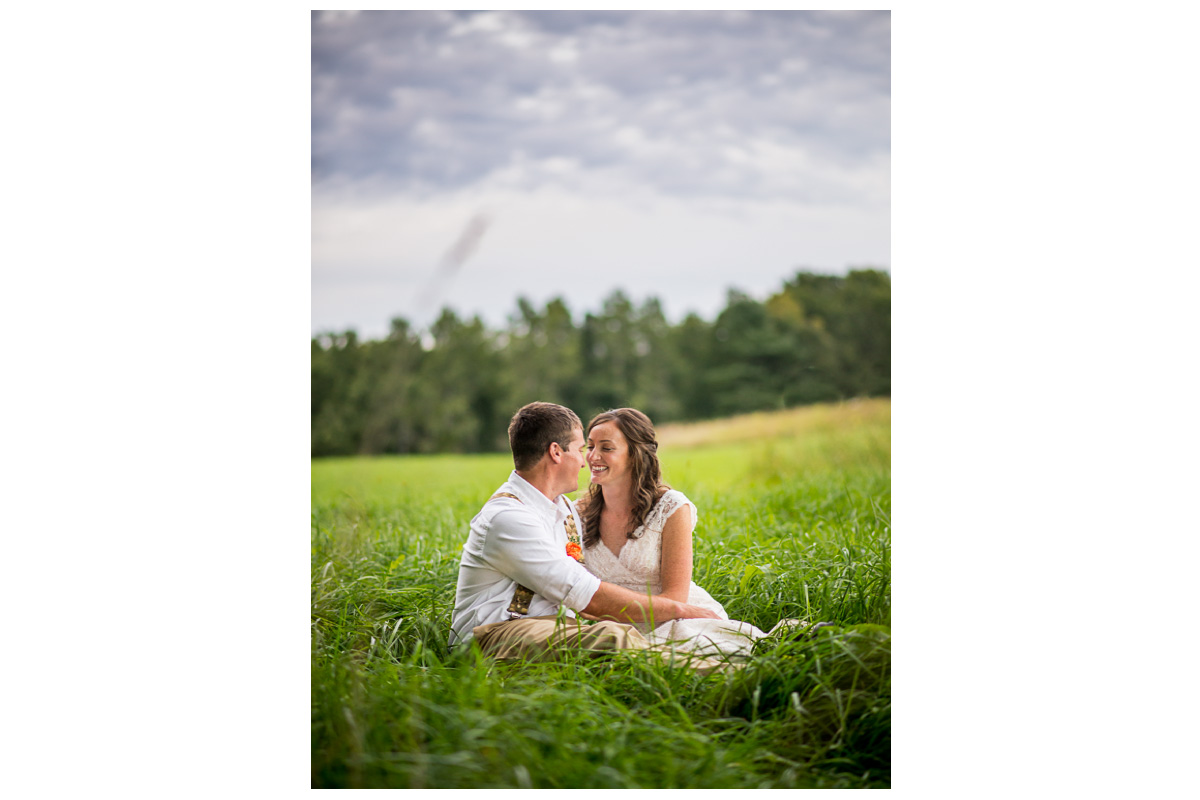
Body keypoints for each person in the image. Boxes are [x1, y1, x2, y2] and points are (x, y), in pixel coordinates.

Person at [449, 402, 720, 661]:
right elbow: (584, 594)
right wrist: (681, 610)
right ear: (556, 452)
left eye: (602, 448)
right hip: (496, 631)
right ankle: (726, 679)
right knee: (610, 639)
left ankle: (722, 675)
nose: (586, 460)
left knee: (615, 642)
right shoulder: (509, 518)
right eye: (583, 449)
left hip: (556, 628)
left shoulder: (563, 510)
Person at [579, 407, 801, 658]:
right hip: (610, 630)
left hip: (678, 617)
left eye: (606, 448)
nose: (593, 456)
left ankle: (794, 643)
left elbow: (676, 598)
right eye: (590, 446)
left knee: (729, 653)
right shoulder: (576, 515)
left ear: (636, 455)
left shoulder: (670, 507)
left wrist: (600, 607)